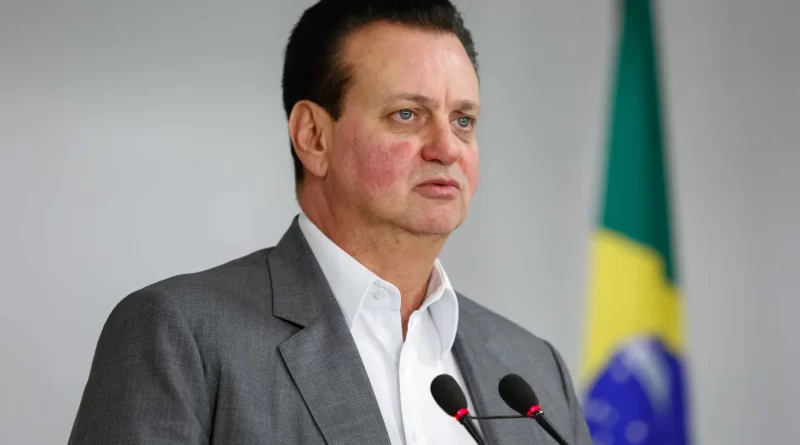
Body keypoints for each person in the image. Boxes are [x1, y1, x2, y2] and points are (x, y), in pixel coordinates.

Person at [68, 1, 592, 444]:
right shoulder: (181, 335)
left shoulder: (533, 369)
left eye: (463, 120)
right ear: (314, 137)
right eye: (407, 115)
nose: (447, 148)